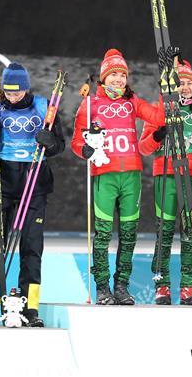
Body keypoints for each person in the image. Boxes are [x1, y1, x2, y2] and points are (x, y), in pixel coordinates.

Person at [71, 48, 163, 305]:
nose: (118, 79)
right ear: (103, 78)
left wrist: (166, 93)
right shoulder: (90, 104)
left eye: (122, 75)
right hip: (105, 175)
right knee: (103, 233)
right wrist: (84, 150)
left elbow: (159, 117)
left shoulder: (131, 101)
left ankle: (121, 286)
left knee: (129, 233)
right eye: (113, 75)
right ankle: (102, 287)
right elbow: (77, 141)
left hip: (131, 175)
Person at [0, 62, 65, 326]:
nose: (12, 97)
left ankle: (29, 308)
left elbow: (59, 144)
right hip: (3, 184)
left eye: (17, 92)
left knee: (32, 248)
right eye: (8, 92)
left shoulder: (44, 107)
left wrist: (50, 143)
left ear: (26, 88)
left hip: (34, 184)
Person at [139, 60, 192, 305]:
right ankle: (162, 285)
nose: (185, 87)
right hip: (166, 174)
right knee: (164, 231)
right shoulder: (159, 110)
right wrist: (158, 135)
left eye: (189, 83)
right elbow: (143, 147)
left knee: (189, 233)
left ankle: (188, 286)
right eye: (180, 83)